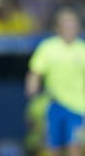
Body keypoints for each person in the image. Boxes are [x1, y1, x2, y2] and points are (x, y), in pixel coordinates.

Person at [25, 8, 85, 156]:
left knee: (74, 147)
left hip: (78, 108)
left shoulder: (82, 49)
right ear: (58, 27)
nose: (69, 28)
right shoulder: (48, 47)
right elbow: (35, 71)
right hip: (54, 106)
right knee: (53, 149)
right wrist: (32, 87)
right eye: (66, 24)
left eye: (72, 24)